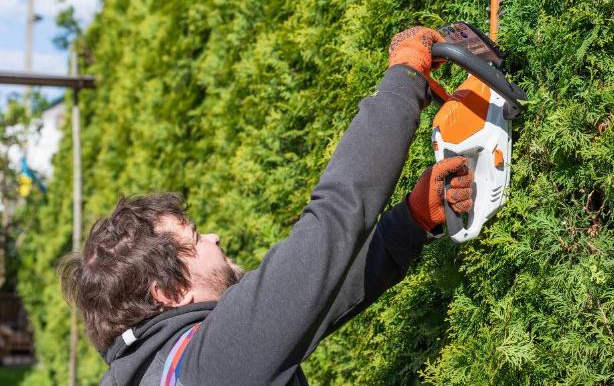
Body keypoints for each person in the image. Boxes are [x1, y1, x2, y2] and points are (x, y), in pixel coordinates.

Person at [59, 26, 475, 386]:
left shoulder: (161, 369)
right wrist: (404, 78)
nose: (214, 238)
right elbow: (334, 218)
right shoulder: (208, 367)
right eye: (196, 238)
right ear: (170, 291)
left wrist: (413, 219)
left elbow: (316, 299)